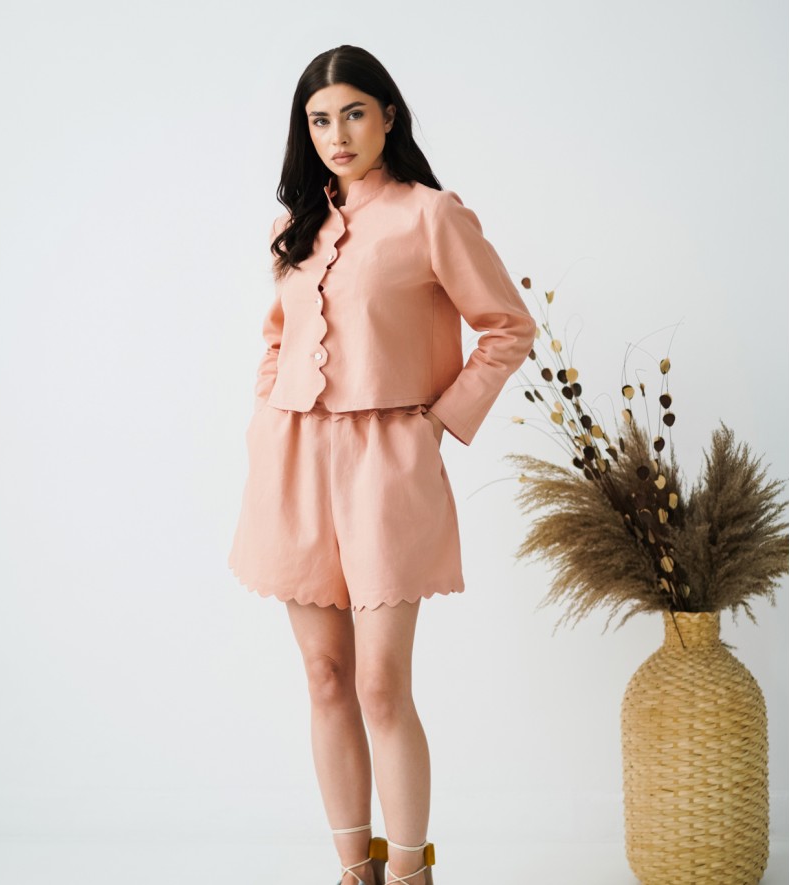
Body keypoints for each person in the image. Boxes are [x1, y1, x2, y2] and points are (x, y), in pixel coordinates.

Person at [228, 44, 536, 885]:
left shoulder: (430, 215)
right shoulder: (294, 227)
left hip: (385, 465)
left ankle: (408, 871)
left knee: (379, 683)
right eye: (319, 120)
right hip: (292, 460)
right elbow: (276, 338)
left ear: (388, 116)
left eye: (353, 113)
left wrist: (437, 423)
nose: (337, 134)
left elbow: (507, 326)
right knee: (325, 677)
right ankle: (351, 869)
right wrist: (264, 422)